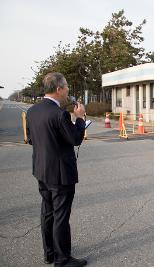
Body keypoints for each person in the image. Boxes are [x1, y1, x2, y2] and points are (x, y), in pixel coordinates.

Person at [26, 72, 88, 267]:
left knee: (47, 212)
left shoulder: (33, 111)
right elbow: (75, 139)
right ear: (59, 89)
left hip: (41, 170)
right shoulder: (59, 114)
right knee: (61, 216)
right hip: (60, 174)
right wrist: (79, 118)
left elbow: (31, 139)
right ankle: (63, 259)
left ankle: (49, 253)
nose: (68, 90)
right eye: (67, 87)